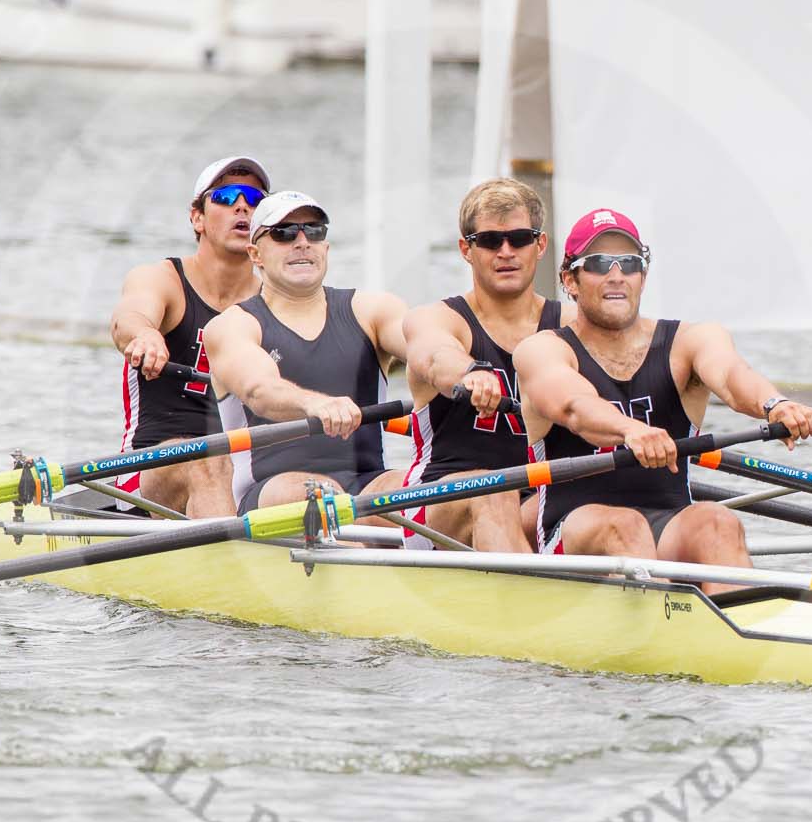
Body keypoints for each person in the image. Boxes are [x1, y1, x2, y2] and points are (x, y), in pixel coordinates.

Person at [513, 208, 812, 588]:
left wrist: (775, 404)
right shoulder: (541, 350)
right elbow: (574, 405)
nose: (616, 275)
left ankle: (741, 617)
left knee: (718, 522)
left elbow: (732, 375)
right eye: (599, 263)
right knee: (625, 526)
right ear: (570, 280)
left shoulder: (690, 341)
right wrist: (630, 430)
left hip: (666, 524)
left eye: (629, 264)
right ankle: (667, 613)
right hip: (573, 531)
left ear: (643, 277)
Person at [204, 191, 411, 515]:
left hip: (368, 482)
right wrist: (314, 404)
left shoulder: (373, 310)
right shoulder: (232, 326)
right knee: (321, 497)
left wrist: (468, 372)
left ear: (325, 248)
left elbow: (428, 351)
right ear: (255, 254)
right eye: (284, 233)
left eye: (314, 231)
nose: (302, 242)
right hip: (273, 491)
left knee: (419, 488)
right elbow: (259, 391)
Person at [399, 177, 571, 551]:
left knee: (605, 508)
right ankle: (527, 585)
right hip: (440, 503)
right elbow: (435, 354)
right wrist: (470, 373)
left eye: (519, 239)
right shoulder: (438, 318)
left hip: (535, 498)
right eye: (491, 241)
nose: (506, 252)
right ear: (466, 249)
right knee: (494, 492)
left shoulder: (572, 325)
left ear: (540, 245)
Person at [107, 156, 270, 518]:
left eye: (255, 199)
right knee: (208, 461)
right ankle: (231, 551)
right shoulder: (162, 279)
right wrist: (145, 335)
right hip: (149, 472)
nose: (242, 206)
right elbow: (128, 318)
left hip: (243, 472)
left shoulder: (275, 304)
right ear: (197, 218)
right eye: (226, 197)